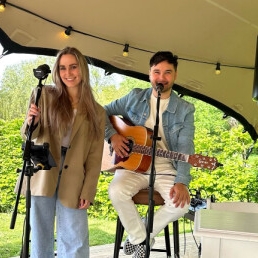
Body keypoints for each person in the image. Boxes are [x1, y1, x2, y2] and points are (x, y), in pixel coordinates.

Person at [104, 51, 195, 258]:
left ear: (175, 75)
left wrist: (182, 181)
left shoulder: (185, 109)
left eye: (167, 72)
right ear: (149, 73)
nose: (161, 78)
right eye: (156, 72)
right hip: (133, 164)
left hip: (165, 166)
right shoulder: (134, 97)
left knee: (181, 205)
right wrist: (112, 137)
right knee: (116, 191)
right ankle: (141, 239)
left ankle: (140, 236)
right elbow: (101, 111)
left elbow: (185, 147)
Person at [18, 47, 106, 257]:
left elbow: (95, 156)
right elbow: (29, 135)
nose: (68, 73)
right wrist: (32, 122)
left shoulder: (97, 111)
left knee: (75, 237)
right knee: (40, 234)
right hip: (43, 169)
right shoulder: (44, 94)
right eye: (63, 68)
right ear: (57, 71)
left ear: (82, 69)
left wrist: (88, 190)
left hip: (75, 175)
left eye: (73, 67)